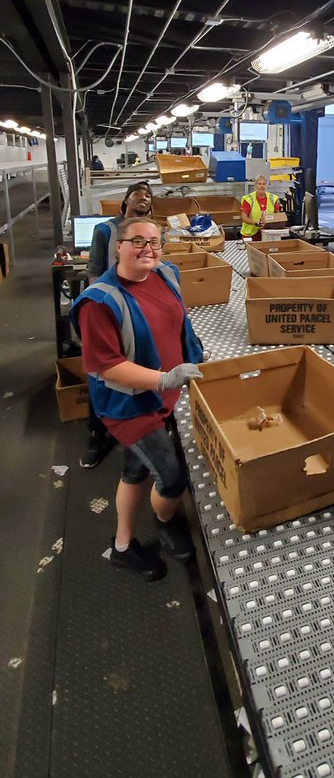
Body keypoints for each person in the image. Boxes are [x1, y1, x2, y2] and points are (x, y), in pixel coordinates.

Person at [71, 217, 204, 581]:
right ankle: (165, 520)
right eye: (138, 241)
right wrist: (164, 379)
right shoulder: (100, 302)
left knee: (136, 468)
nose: (148, 248)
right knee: (171, 478)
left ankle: (123, 545)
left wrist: (189, 359)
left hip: (164, 394)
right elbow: (107, 366)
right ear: (119, 247)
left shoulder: (166, 274)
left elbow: (177, 324)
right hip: (131, 406)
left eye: (155, 242)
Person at [81, 181, 154, 469]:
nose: (144, 198)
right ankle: (97, 435)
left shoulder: (151, 232)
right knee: (101, 371)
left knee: (136, 368)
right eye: (138, 194)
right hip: (109, 309)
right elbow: (93, 271)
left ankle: (136, 430)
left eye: (148, 195)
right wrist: (102, 307)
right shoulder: (105, 230)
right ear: (125, 201)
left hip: (139, 309)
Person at [241, 174, 282, 240]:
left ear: (267, 185)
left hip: (268, 232)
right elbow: (244, 217)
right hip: (250, 234)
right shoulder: (248, 199)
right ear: (255, 186)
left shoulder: (273, 198)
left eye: (264, 184)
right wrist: (255, 223)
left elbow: (278, 215)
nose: (262, 186)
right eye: (259, 184)